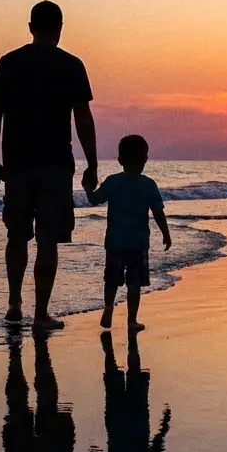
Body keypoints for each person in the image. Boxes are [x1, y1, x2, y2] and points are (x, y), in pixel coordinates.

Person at [0, 1, 98, 332]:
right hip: (55, 165)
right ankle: (40, 314)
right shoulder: (71, 65)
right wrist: (91, 162)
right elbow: (83, 119)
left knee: (16, 235)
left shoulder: (8, 63)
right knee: (48, 239)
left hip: (17, 164)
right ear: (59, 28)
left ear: (30, 26)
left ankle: (14, 304)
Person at [84, 135, 171, 332]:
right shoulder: (148, 185)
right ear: (145, 160)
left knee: (112, 279)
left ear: (120, 160)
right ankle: (132, 320)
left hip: (114, 242)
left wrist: (87, 187)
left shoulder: (113, 182)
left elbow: (94, 200)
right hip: (138, 244)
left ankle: (108, 309)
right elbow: (158, 212)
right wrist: (166, 233)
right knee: (134, 283)